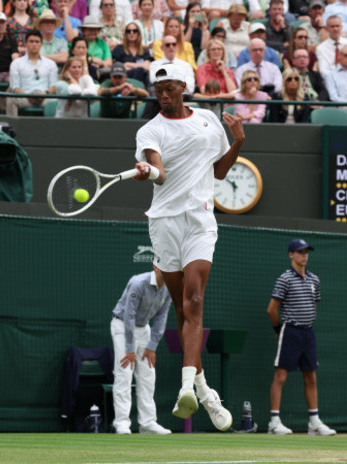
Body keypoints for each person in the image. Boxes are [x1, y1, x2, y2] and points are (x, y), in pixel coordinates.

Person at [133, 62, 245, 433]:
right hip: (164, 223)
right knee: (182, 313)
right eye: (158, 90)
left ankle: (186, 388)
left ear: (184, 86)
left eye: (169, 88)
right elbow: (160, 173)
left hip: (200, 220)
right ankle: (205, 389)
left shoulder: (210, 122)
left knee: (194, 302)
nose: (163, 95)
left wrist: (239, 141)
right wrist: (149, 171)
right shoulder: (150, 129)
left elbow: (220, 171)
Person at [266, 238, 336, 436]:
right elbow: (271, 309)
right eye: (299, 252)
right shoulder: (284, 279)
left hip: (308, 332)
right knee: (280, 376)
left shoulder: (315, 280)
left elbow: (313, 304)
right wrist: (279, 329)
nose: (304, 255)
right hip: (290, 331)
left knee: (311, 376)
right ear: (291, 254)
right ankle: (274, 422)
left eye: (306, 252)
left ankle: (314, 422)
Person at [110, 267, 173, 435]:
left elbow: (161, 317)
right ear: (156, 267)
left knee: (148, 376)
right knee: (124, 373)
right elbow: (129, 315)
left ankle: (148, 423)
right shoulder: (138, 283)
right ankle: (122, 423)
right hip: (122, 326)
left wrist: (152, 346)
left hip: (144, 329)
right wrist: (130, 348)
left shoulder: (169, 288)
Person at [6, 29, 58, 115]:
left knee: (57, 101)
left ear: (41, 44)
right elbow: (14, 86)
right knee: (11, 99)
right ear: (26, 44)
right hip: (24, 97)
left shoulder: (51, 63)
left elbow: (54, 86)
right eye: (31, 41)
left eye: (37, 42)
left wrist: (45, 93)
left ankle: (54, 128)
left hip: (45, 97)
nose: (34, 44)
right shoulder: (16, 63)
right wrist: (27, 95)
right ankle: (12, 126)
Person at [112, 23, 152, 88]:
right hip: (123, 78)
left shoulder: (144, 50)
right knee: (140, 70)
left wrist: (127, 64)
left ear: (138, 33)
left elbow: (147, 67)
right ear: (125, 34)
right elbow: (119, 68)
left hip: (142, 78)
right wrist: (141, 65)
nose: (131, 33)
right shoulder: (118, 49)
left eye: (134, 31)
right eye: (128, 31)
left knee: (143, 73)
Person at [81, 15, 112, 80]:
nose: (93, 32)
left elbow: (109, 62)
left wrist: (101, 63)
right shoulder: (78, 42)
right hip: (82, 70)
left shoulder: (103, 44)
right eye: (90, 29)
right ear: (84, 30)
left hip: (100, 71)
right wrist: (91, 59)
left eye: (95, 29)